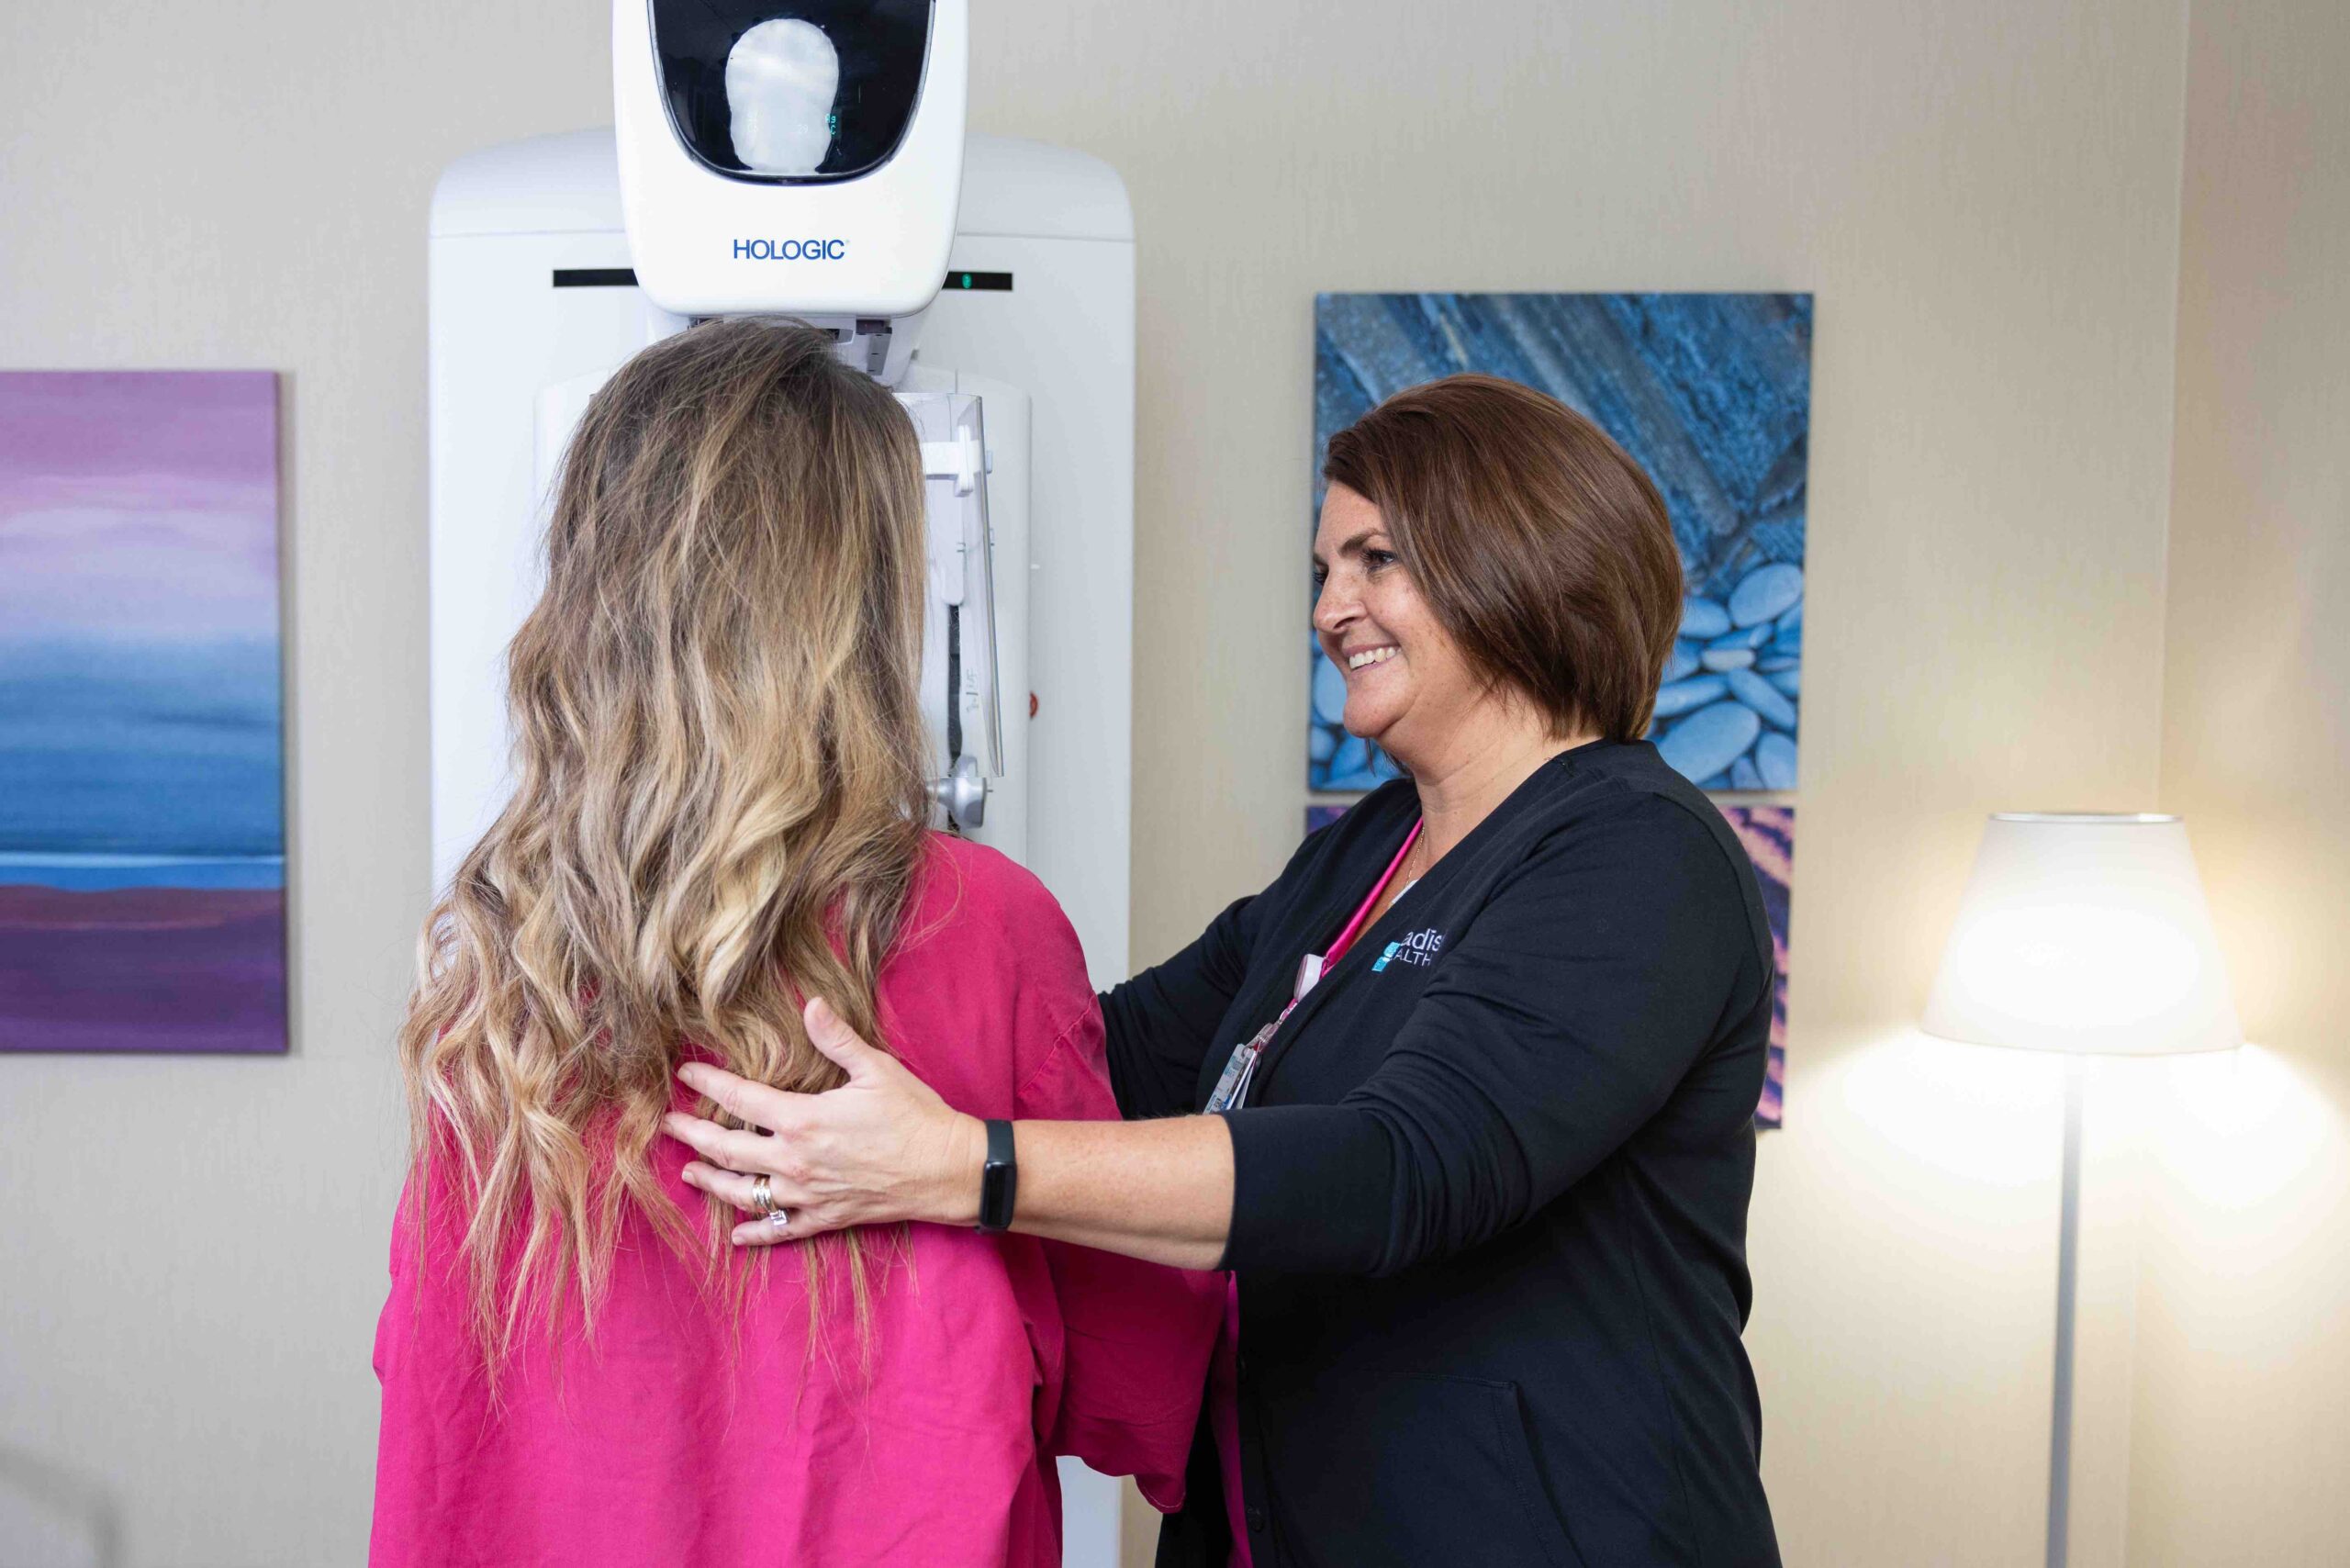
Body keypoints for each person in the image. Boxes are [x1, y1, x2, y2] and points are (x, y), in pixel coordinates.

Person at [667, 374, 1785, 1567]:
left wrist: (965, 1167)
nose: (1331, 608)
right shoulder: (1360, 855)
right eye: (1323, 571)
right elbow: (1092, 1060)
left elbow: (1406, 1168)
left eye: (1375, 561)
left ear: (1515, 558)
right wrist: (754, 1019)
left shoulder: (1638, 854)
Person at [371, 319, 1221, 1568]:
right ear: (859, 607)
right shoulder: (978, 927)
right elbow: (1144, 1385)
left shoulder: (502, 966)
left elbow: (434, 1394)